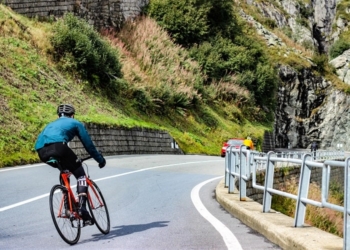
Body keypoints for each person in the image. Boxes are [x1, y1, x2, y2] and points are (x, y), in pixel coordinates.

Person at [35, 104, 106, 226]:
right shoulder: (76, 123)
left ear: (59, 115)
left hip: (41, 152)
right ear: (72, 115)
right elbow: (88, 145)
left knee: (64, 172)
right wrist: (100, 159)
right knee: (81, 175)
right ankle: (83, 208)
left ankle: (68, 209)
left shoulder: (50, 124)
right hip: (59, 147)